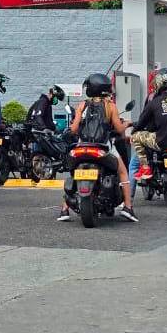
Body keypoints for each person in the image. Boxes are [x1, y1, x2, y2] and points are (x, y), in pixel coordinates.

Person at [57, 74, 137, 222]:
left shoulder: (82, 105)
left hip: (82, 146)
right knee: (123, 172)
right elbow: (119, 129)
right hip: (103, 146)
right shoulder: (110, 106)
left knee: (74, 173)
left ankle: (64, 209)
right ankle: (128, 207)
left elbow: (74, 129)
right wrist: (127, 124)